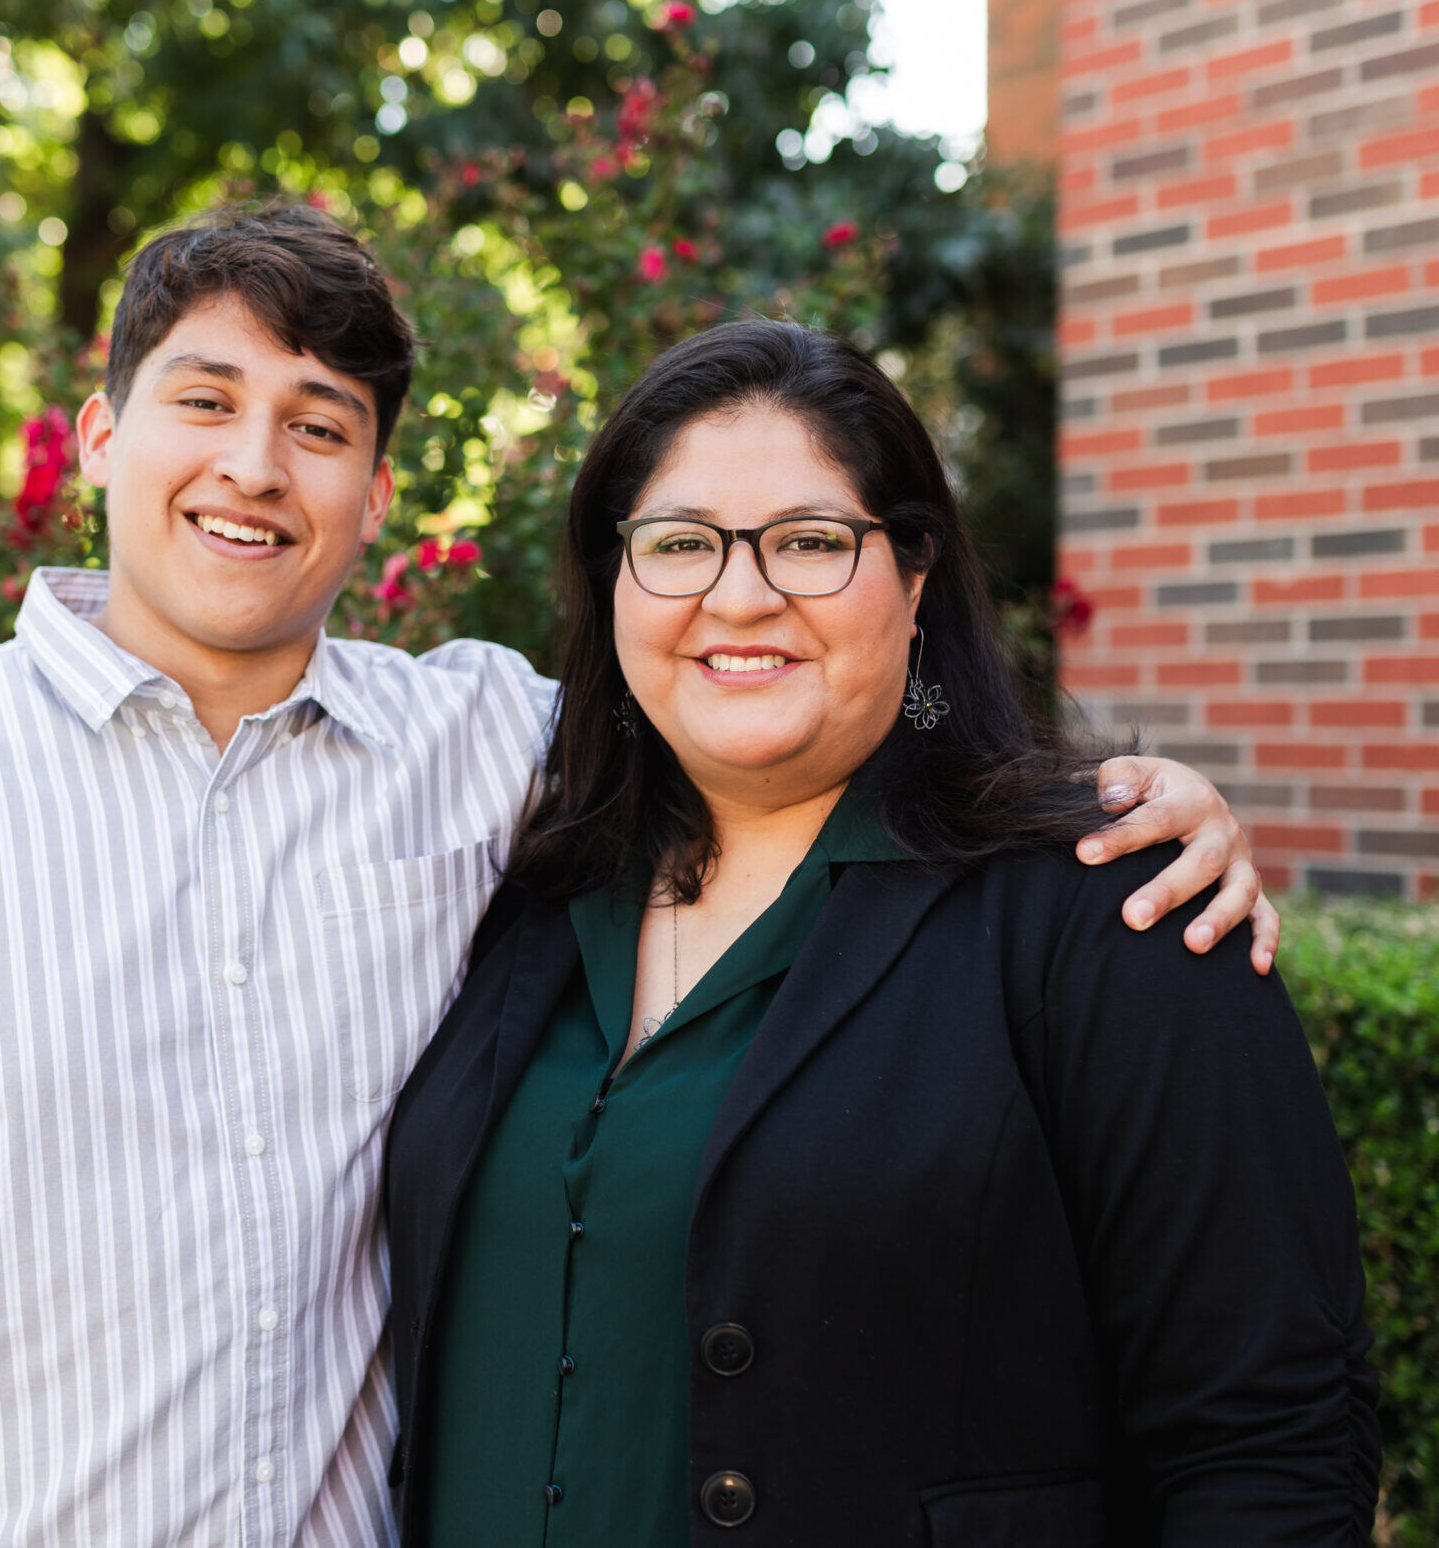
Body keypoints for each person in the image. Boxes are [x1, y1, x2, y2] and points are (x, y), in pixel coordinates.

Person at [0, 204, 1278, 1548]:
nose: (252, 466)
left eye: (319, 424)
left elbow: (761, 698)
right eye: (204, 402)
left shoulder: (491, 753)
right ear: (96, 434)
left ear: (375, 487)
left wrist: (1115, 797)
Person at [382, 321, 1379, 1547]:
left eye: (808, 542)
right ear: (614, 583)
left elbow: (1272, 1442)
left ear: (911, 578)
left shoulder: (1108, 906)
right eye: (680, 544)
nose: (737, 595)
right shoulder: (521, 889)